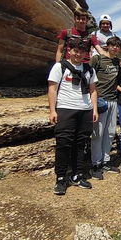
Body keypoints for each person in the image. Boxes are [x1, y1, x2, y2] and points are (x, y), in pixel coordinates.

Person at [47, 38, 99, 195]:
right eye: (76, 51)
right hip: (65, 109)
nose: (78, 54)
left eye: (82, 52)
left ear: (86, 54)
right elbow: (52, 89)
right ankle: (61, 178)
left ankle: (77, 175)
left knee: (81, 143)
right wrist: (52, 110)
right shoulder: (60, 67)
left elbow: (93, 91)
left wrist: (94, 109)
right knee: (63, 143)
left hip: (85, 110)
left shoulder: (89, 70)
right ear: (69, 51)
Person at [89, 37, 121, 180]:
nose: (114, 48)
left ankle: (105, 161)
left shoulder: (118, 62)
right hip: (100, 100)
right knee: (98, 133)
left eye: (117, 46)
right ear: (107, 46)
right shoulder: (98, 59)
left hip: (113, 100)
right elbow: (89, 77)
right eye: (112, 45)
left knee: (109, 133)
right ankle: (95, 164)